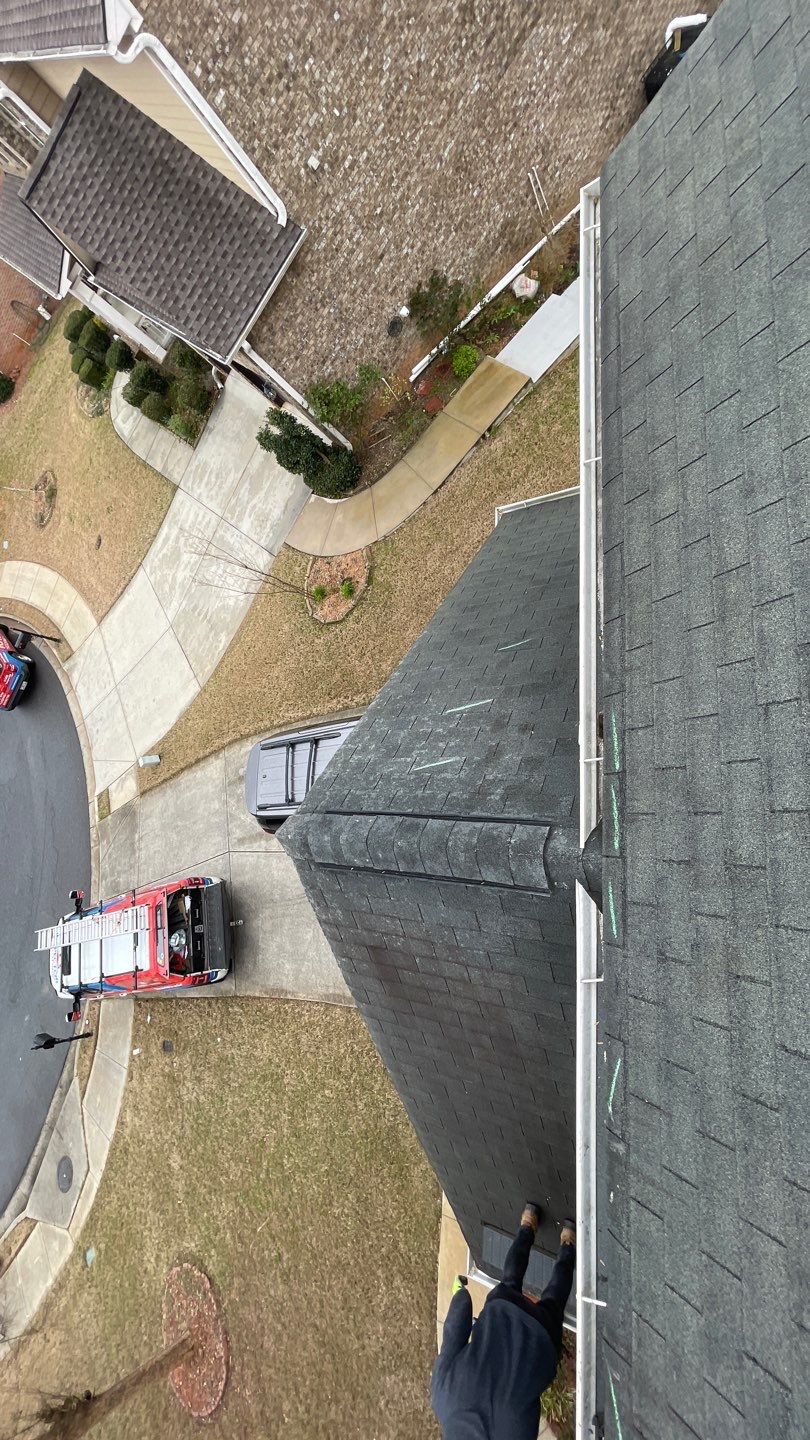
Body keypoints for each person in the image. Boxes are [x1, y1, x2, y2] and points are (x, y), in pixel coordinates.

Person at [431, 1204, 576, 1439]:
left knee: (554, 1302)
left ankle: (568, 1242)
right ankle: (528, 1223)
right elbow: (456, 1324)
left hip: (541, 1340)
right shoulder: (442, 1396)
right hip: (503, 1311)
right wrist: (460, 1293)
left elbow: (531, 1404)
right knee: (510, 1279)